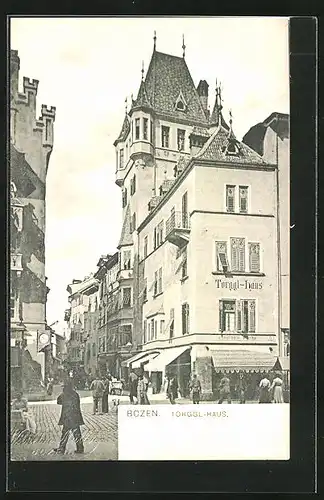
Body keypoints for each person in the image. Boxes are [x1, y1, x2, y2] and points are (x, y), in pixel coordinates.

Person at [53, 380, 84, 454]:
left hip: (67, 417)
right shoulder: (75, 394)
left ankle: (61, 449)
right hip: (75, 417)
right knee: (77, 433)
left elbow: (58, 401)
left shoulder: (63, 395)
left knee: (65, 433)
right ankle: (80, 448)